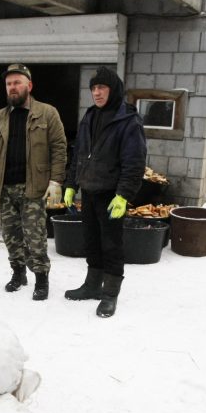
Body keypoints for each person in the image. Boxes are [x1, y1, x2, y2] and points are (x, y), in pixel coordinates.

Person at [63, 66, 146, 318]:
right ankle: (91, 286)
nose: (97, 93)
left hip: (111, 195)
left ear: (113, 90)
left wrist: (123, 195)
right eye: (94, 88)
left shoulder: (128, 120)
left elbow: (135, 161)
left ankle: (109, 294)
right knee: (91, 241)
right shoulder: (90, 116)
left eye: (102, 88)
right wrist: (70, 185)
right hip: (89, 191)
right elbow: (78, 153)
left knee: (111, 245)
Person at [0, 64, 66, 300]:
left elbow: (59, 149)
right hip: (5, 188)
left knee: (35, 237)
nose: (12, 87)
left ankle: (41, 279)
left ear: (29, 85)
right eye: (9, 84)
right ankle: (18, 274)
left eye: (17, 82)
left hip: (33, 188)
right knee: (11, 235)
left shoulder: (47, 113)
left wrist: (56, 181)